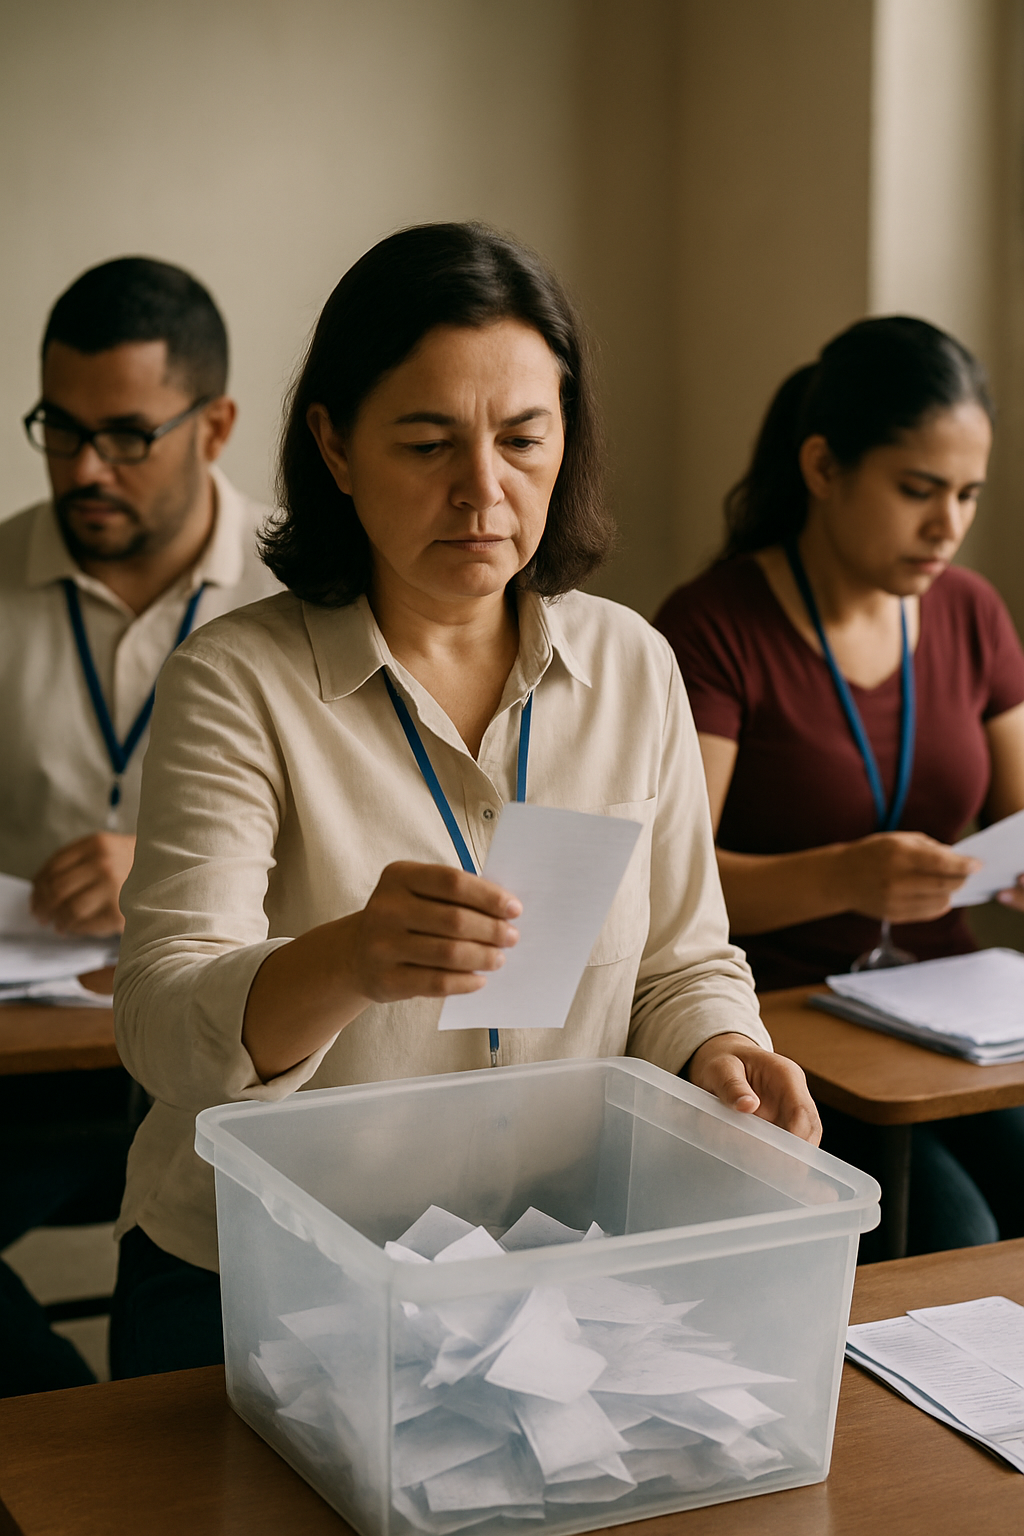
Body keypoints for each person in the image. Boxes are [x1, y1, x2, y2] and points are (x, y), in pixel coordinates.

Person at [109, 222, 819, 1379]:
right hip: (266, 1285)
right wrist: (346, 961)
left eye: (525, 440)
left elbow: (682, 960)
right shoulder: (236, 681)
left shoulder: (632, 666)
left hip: (542, 1277)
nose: (482, 494)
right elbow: (157, 1025)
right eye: (428, 443)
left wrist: (722, 1051)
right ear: (334, 447)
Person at [654, 315, 1024, 1256]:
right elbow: (669, 887)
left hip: (948, 1023)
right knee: (955, 1232)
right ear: (823, 468)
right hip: (782, 1031)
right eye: (918, 491)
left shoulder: (971, 614)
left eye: (969, 495)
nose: (948, 526)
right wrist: (844, 880)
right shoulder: (715, 627)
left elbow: (1020, 814)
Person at [0, 257, 280, 1396]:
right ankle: (68, 1454)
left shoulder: (303, 594)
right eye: (58, 431)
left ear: (214, 425)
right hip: (32, 1078)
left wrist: (167, 867)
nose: (83, 470)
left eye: (124, 436)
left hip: (235, 1073)